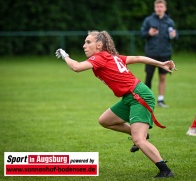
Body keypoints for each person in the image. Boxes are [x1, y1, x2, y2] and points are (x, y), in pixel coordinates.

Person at [55, 30, 176, 178]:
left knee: (139, 140)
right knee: (105, 120)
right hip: (129, 96)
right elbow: (138, 58)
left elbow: (76, 67)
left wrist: (65, 55)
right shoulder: (110, 56)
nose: (84, 45)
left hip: (138, 96)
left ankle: (165, 170)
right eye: (85, 42)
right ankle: (138, 133)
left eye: (88, 42)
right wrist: (161, 63)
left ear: (99, 45)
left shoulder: (100, 58)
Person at [141, 0, 178, 108]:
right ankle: (146, 100)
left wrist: (174, 36)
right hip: (151, 53)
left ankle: (161, 100)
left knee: (163, 77)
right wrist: (149, 33)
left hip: (165, 53)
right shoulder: (148, 20)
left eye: (161, 6)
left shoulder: (169, 21)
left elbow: (176, 36)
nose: (159, 8)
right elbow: (142, 34)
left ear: (165, 8)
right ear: (154, 8)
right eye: (157, 6)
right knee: (149, 76)